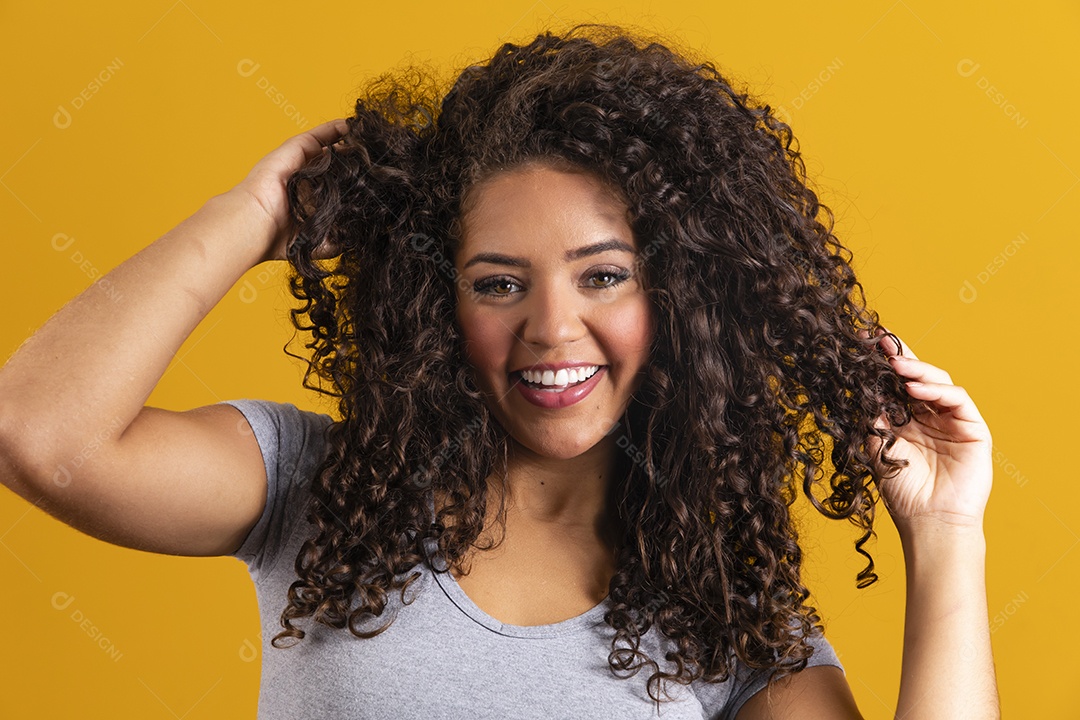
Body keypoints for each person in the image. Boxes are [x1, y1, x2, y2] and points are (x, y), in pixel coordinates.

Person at [0, 23, 998, 719]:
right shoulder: (327, 491)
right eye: (497, 283)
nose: (551, 329)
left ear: (681, 298)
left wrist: (945, 532)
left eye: (604, 275)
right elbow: (41, 436)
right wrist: (253, 214)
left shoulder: (722, 610)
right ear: (437, 302)